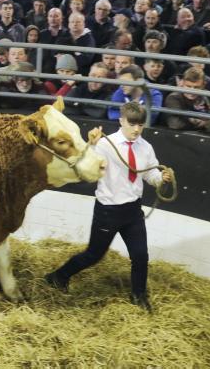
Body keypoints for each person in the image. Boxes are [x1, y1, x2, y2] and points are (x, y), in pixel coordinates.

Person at [45, 102, 173, 312]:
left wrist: (161, 178)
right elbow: (87, 163)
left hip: (133, 211)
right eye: (132, 124)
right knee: (94, 254)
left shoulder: (146, 147)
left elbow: (149, 174)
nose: (136, 129)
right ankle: (58, 276)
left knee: (141, 256)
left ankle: (138, 296)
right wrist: (92, 144)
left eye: (140, 125)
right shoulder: (106, 144)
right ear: (121, 120)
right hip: (108, 210)